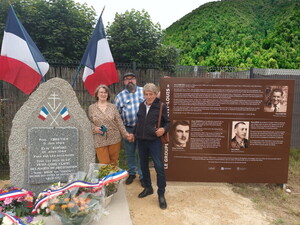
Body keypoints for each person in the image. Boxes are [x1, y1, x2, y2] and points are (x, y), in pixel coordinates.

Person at [134, 83, 170, 209]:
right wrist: (134, 134)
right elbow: (139, 123)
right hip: (141, 141)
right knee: (143, 166)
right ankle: (148, 188)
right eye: (146, 94)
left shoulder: (161, 106)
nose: (148, 97)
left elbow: (168, 123)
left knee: (159, 167)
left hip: (154, 141)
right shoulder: (141, 106)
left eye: (151, 94)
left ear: (156, 94)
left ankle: (161, 194)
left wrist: (163, 129)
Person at [88, 84, 133, 166]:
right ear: (97, 94)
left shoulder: (113, 107)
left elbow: (119, 122)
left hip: (114, 138)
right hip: (99, 139)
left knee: (113, 162)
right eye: (101, 92)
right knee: (104, 164)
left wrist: (126, 134)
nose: (103, 94)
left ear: (108, 94)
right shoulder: (91, 108)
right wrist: (94, 128)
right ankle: (106, 178)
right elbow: (89, 122)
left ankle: (114, 179)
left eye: (105, 92)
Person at [114, 72, 144, 186]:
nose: (129, 81)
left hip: (142, 129)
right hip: (128, 129)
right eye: (127, 79)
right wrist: (124, 132)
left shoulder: (143, 91)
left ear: (136, 79)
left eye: (132, 78)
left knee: (141, 152)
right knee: (130, 152)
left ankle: (142, 175)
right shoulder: (120, 96)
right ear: (124, 82)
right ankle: (132, 173)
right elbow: (116, 115)